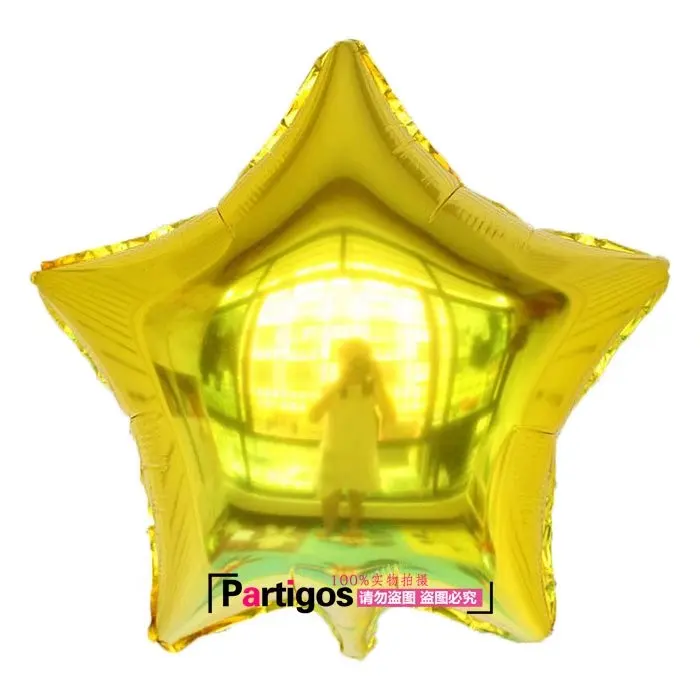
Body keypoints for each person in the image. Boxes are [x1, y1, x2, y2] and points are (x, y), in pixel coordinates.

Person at [308, 338, 396, 538]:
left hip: (361, 449)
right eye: (349, 361)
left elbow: (390, 416)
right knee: (329, 492)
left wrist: (379, 381)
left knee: (357, 492)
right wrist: (341, 382)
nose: (354, 367)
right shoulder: (331, 388)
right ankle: (329, 526)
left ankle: (354, 526)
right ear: (339, 363)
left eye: (359, 361)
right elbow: (313, 416)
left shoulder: (372, 389)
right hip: (334, 447)